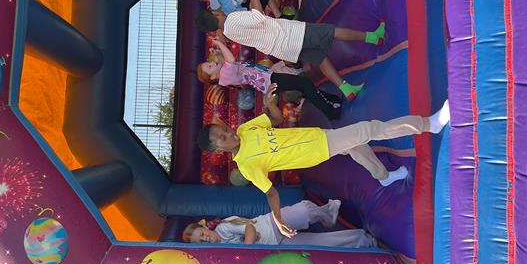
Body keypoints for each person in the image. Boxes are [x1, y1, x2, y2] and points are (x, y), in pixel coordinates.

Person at [197, 84, 450, 237]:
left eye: (225, 130)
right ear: (218, 150)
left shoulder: (245, 129)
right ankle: (429, 124)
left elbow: (275, 120)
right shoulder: (246, 166)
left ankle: (383, 176)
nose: (229, 134)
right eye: (223, 138)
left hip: (316, 135)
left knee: (357, 147)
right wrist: (278, 219)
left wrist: (269, 103)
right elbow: (271, 192)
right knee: (369, 129)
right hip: (317, 150)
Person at [195, 0, 385, 100]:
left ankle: (345, 88)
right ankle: (373, 37)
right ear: (216, 13)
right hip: (289, 35)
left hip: (282, 49)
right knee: (332, 32)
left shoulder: (229, 33)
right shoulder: (232, 20)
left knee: (320, 58)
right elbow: (259, 17)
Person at [197, 37, 344, 120]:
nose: (212, 63)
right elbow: (230, 59)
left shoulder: (224, 73)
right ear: (213, 76)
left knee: (303, 85)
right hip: (269, 82)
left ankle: (332, 100)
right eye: (209, 66)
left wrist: (216, 51)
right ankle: (330, 112)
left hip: (268, 78)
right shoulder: (225, 76)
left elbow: (223, 60)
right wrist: (220, 44)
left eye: (209, 62)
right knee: (304, 83)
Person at [182, 199, 377, 247]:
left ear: (204, 227)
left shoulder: (223, 227)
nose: (206, 239)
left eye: (202, 234)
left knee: (304, 211)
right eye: (201, 241)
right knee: (322, 245)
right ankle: (363, 240)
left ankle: (327, 213)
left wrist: (246, 250)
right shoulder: (220, 249)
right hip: (276, 244)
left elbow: (249, 229)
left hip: (273, 224)